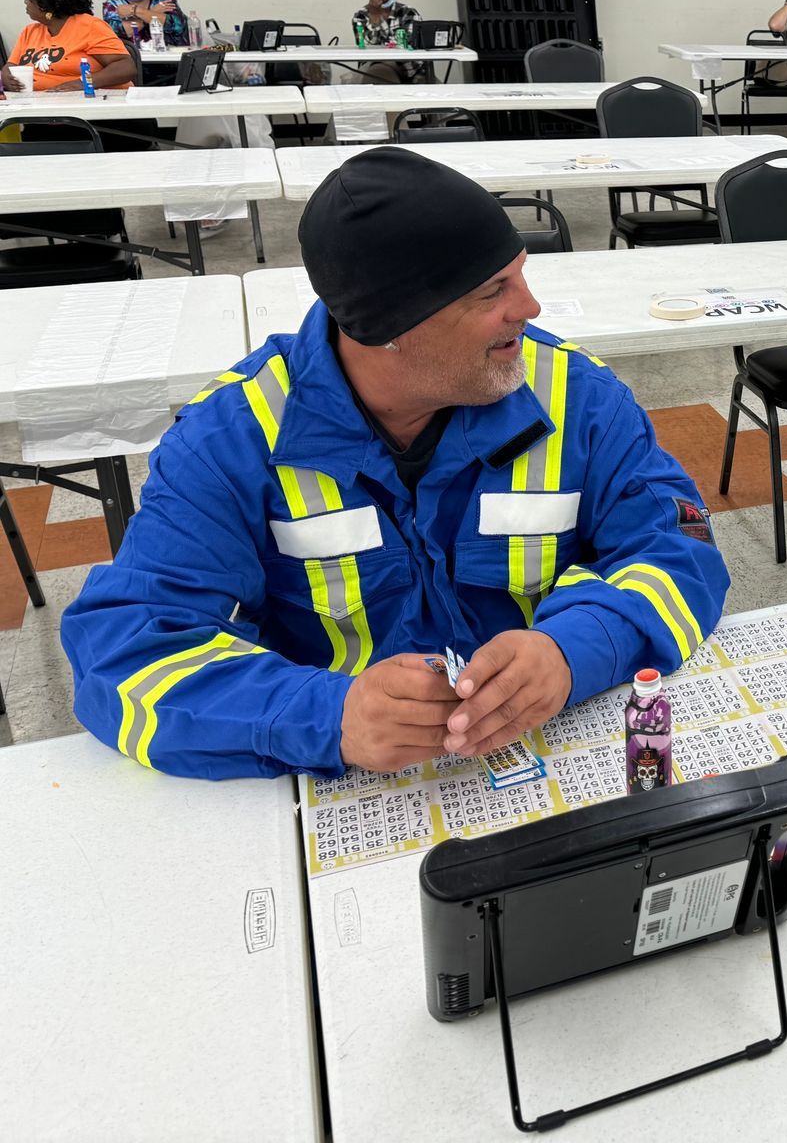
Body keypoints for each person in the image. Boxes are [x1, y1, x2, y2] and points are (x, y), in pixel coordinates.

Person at [61, 149, 729, 779]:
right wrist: (330, 717)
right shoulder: (231, 439)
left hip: (548, 751)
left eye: (522, 276)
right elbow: (124, 655)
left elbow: (681, 546)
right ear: (387, 330)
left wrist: (573, 650)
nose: (529, 309)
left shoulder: (576, 397)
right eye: (492, 290)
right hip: (347, 783)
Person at [9, 0, 133, 92]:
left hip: (86, 103)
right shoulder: (30, 31)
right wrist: (6, 77)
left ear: (45, 3)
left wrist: (83, 82)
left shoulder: (89, 26)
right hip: (36, 104)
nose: (26, 2)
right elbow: (11, 66)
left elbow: (125, 68)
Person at [353, 0, 423, 84]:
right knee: (379, 72)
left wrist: (386, 40)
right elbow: (366, 46)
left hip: (409, 67)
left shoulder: (408, 12)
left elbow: (408, 45)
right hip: (375, 64)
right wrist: (375, 15)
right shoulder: (361, 15)